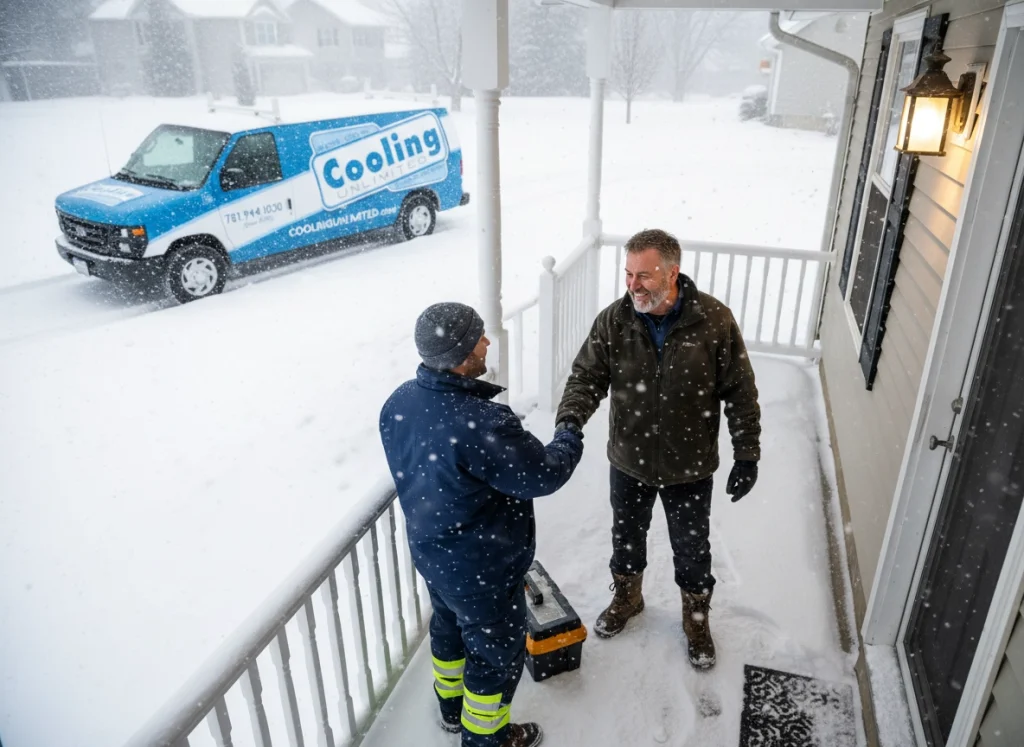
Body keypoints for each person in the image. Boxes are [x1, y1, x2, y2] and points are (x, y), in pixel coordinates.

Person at [380, 302, 584, 747]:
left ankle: (451, 711)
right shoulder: (480, 422)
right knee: (494, 658)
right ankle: (485, 738)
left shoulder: (399, 402)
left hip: (434, 556)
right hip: (482, 570)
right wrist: (569, 432)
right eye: (478, 338)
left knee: (449, 629)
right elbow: (544, 474)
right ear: (459, 353)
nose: (487, 341)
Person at [555, 228, 761, 670]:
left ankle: (696, 616)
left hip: (689, 465)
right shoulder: (616, 320)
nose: (633, 285)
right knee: (626, 538)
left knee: (692, 548)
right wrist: (570, 420)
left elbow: (740, 392)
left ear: (673, 274)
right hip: (629, 460)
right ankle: (628, 598)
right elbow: (586, 377)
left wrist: (747, 454)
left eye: (644, 276)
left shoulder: (713, 321)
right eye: (628, 274)